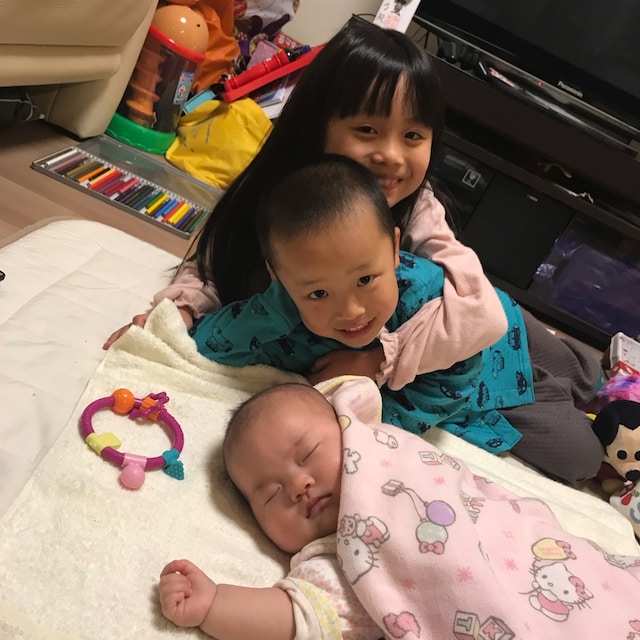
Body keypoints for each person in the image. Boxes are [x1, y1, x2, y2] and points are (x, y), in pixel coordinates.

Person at [104, 18, 509, 386]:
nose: (391, 155)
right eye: (367, 130)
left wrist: (381, 360)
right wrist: (176, 315)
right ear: (317, 125)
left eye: (413, 136)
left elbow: (483, 313)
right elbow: (213, 266)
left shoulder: (418, 208)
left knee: (540, 373)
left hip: (496, 355)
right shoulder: (279, 194)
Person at [190, 154, 602, 484]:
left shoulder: (422, 288)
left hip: (497, 328)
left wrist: (377, 366)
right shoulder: (286, 320)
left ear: (393, 250)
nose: (351, 311)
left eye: (365, 280)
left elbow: (472, 337)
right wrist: (275, 307)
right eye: (319, 293)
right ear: (279, 279)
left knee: (588, 376)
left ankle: (604, 380)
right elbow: (206, 342)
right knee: (584, 457)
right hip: (478, 397)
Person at [158, 378, 640, 640]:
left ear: (348, 429)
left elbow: (478, 497)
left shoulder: (392, 452)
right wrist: (214, 604)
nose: (299, 485)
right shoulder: (340, 558)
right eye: (270, 494)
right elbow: (298, 615)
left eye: (307, 455)